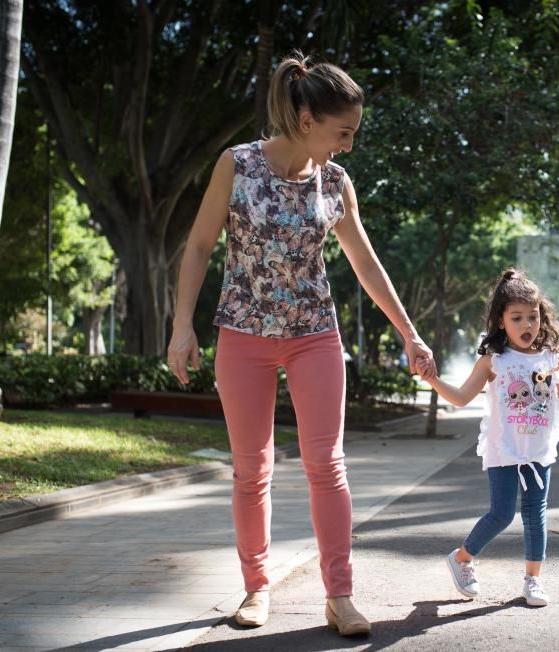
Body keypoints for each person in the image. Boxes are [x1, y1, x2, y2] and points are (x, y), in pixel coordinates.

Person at [166, 52, 436, 636]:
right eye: (344, 132)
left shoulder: (335, 181)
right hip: (242, 335)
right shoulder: (236, 165)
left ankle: (340, 597)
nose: (349, 145)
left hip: (314, 335)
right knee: (251, 470)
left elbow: (364, 263)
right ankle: (256, 588)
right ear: (307, 119)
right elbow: (199, 245)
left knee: (327, 465)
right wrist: (182, 324)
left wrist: (409, 332)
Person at [422, 269, 559, 607]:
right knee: (502, 514)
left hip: (538, 452)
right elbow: (462, 397)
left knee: (536, 514)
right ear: (501, 320)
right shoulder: (495, 359)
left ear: (542, 317)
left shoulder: (551, 358)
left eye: (533, 317)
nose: (527, 325)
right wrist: (432, 380)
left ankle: (533, 581)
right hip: (503, 449)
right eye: (517, 317)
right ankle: (462, 558)